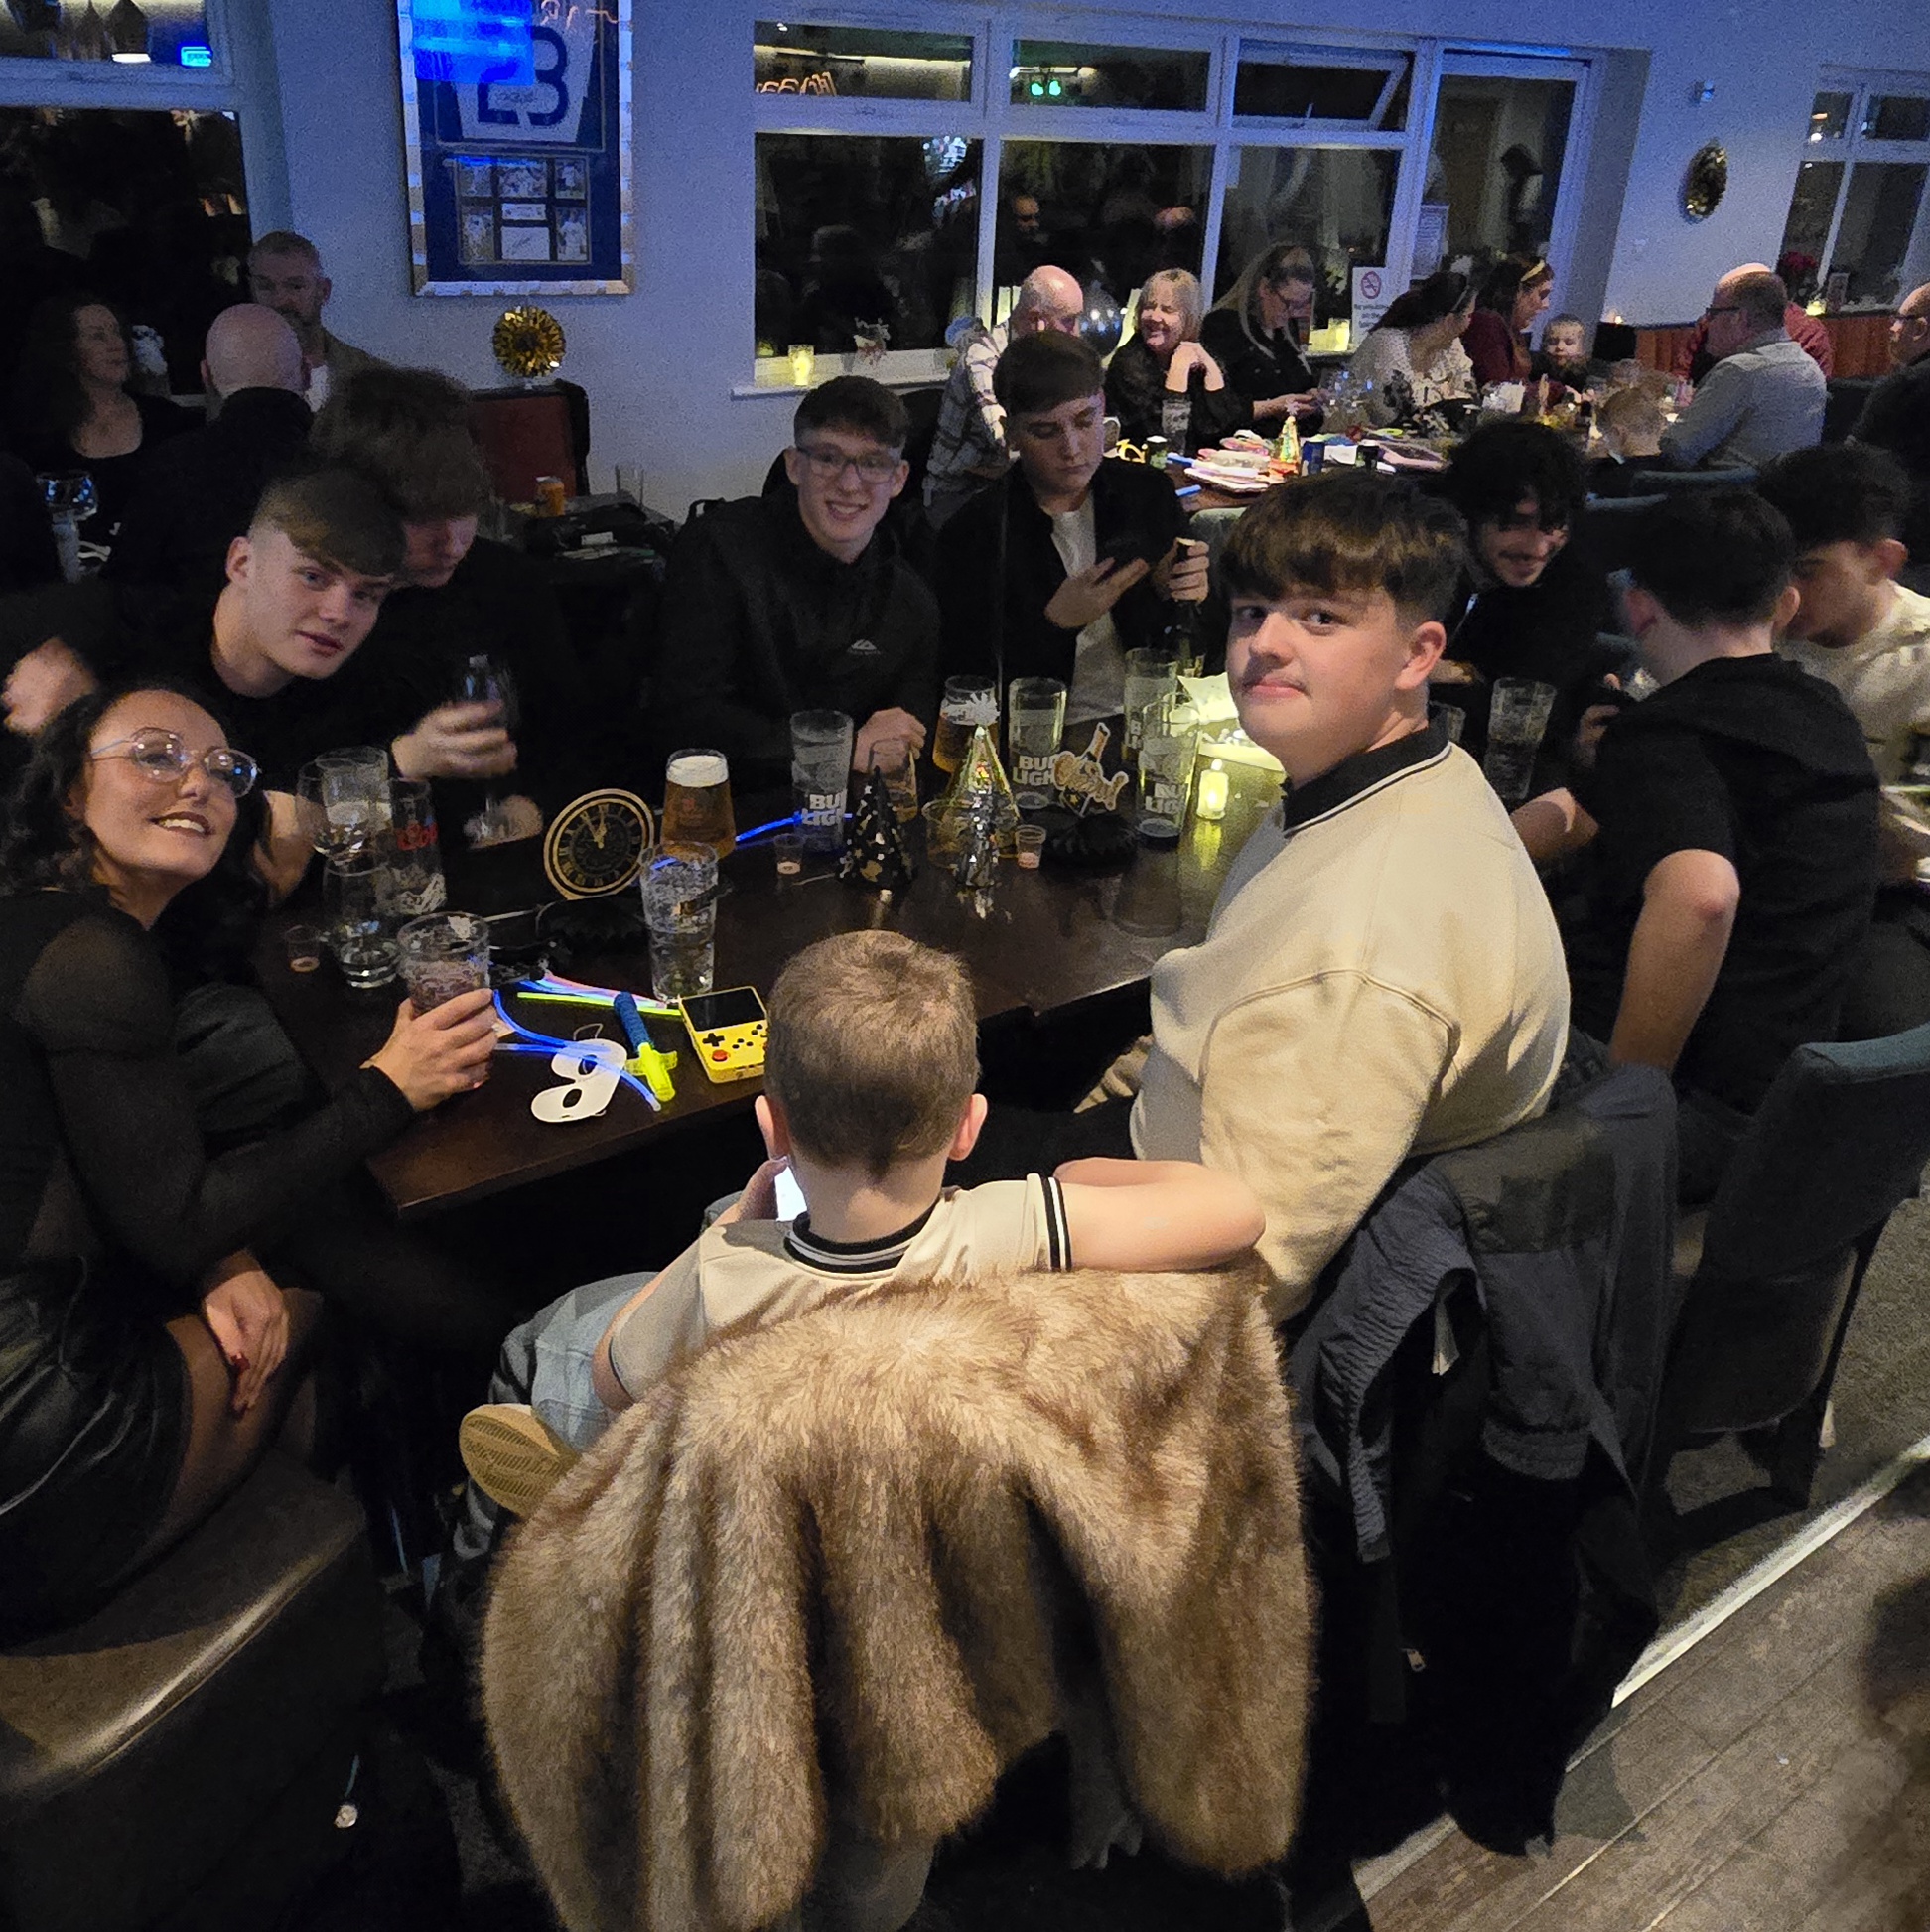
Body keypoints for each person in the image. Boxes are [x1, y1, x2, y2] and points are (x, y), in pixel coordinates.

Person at [451, 930, 1265, 1534]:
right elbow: (1236, 1210)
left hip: (730, 1467)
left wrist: (729, 1227)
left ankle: (542, 1535)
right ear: (967, 1127)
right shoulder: (1007, 1226)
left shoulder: (726, 1275)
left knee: (548, 1336)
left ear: (773, 1129)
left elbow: (613, 1376)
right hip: (882, 1488)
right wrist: (1073, 1177)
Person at [0, 678, 496, 1636]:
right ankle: (451, 1544)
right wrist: (392, 1085)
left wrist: (218, 1255)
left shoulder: (42, 922)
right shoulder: (89, 955)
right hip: (34, 1418)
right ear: (67, 791)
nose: (198, 783)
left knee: (295, 1255)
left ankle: (383, 1595)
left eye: (224, 770)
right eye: (155, 755)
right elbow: (176, 1218)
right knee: (330, 1289)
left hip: (51, 1327)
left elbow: (114, 1167)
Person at [1117, 471, 1571, 1320]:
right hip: (1163, 1159)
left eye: (1320, 617)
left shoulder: (1363, 946)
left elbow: (1244, 1280)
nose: (1266, 643)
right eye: (1253, 611)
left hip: (1176, 1263)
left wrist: (1036, 1223)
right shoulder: (1406, 772)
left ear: (1418, 654)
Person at [1512, 491, 1879, 1202]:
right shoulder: (1822, 715)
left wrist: (1624, 1110)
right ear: (1785, 605)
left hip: (1692, 1116)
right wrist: (1490, 844)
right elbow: (1598, 810)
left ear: (1640, 610)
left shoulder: (1669, 739)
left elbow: (1702, 898)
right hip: (1788, 1101)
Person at [310, 365, 585, 840]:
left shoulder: (509, 582)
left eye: (464, 510)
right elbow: (304, 792)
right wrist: (406, 759)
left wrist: (536, 804)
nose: (453, 542)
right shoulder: (322, 610)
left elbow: (573, 732)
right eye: (422, 519)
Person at [651, 376, 938, 790]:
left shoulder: (911, 601)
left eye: (873, 463)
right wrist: (835, 749)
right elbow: (685, 716)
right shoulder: (717, 550)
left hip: (849, 810)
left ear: (898, 479)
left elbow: (903, 736)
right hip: (732, 802)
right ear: (794, 466)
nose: (849, 484)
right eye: (828, 458)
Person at [933, 332, 1210, 723]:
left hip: (1147, 716)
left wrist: (1182, 592)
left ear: (1103, 408)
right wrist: (1055, 623)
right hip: (1039, 732)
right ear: (1012, 433)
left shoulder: (1147, 494)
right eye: (1045, 431)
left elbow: (1188, 644)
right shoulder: (976, 532)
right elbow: (970, 687)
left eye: (1085, 421)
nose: (1072, 447)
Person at [1757, 442, 1930, 1035]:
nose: (1785, 594)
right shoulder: (1758, 619)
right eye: (1775, 568)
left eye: (1807, 571)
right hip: (1759, 866)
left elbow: (1900, 850)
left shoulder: (1921, 663)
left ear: (1883, 561)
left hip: (1886, 896)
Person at [1433, 421, 1620, 793]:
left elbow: (1533, 706)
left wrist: (1443, 672)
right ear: (1470, 515)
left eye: (1554, 525)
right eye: (1517, 523)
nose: (1537, 547)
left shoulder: (1574, 584)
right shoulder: (1421, 561)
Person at [105, 304, 312, 602]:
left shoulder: (174, 464)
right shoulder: (344, 458)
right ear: (305, 372)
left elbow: (121, 587)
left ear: (206, 376)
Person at [7, 293, 195, 544]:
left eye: (117, 333)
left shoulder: (167, 420)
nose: (116, 344)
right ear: (67, 352)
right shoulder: (36, 434)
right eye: (98, 336)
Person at [923, 265, 1084, 531]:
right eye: (1069, 320)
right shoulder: (983, 362)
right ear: (1037, 320)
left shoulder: (1040, 355)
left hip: (1007, 487)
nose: (1076, 332)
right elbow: (1010, 447)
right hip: (956, 497)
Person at [1661, 269, 1826, 471]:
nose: (1707, 323)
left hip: (1719, 487)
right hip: (1781, 486)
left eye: (1713, 313)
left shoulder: (1740, 371)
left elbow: (1677, 449)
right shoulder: (1810, 368)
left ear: (1740, 317)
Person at [1104, 268, 1251, 454]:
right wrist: (1177, 375)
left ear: (1189, 318)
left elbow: (1223, 435)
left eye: (1167, 310)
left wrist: (1213, 371)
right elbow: (1162, 444)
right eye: (1149, 307)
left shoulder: (1199, 357)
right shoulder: (1127, 363)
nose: (1154, 316)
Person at [245, 230, 386, 413]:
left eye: (295, 286)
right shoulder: (234, 377)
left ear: (323, 291)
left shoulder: (370, 377)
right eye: (265, 287)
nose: (280, 300)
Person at [1851, 280, 1930, 590]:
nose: (1891, 328)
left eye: (1899, 318)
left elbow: (1855, 464)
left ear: (1920, 328)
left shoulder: (1905, 386)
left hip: (1906, 543)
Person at [1200, 244, 1324, 431]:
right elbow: (1217, 408)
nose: (1292, 312)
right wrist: (1271, 407)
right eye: (1288, 303)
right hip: (1239, 440)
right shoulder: (1223, 325)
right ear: (1265, 288)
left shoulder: (1286, 329)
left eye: (1300, 305)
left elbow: (1298, 382)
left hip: (1288, 438)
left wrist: (1311, 396)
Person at [1345, 271, 1477, 426]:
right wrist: (1446, 396)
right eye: (1469, 315)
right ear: (1449, 320)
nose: (1471, 322)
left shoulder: (1451, 347)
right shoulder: (1389, 344)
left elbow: (1469, 401)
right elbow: (1397, 417)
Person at [1670, 261, 1834, 386]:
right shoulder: (1708, 323)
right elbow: (1680, 377)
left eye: (1718, 310)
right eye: (1713, 309)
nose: (1709, 318)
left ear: (1743, 314)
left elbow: (1809, 395)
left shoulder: (1807, 332)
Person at [1462, 256, 1555, 389]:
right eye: (1542, 294)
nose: (1546, 304)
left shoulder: (1510, 328)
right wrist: (1554, 392)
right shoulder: (1487, 325)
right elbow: (1498, 389)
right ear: (1518, 292)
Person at [1587, 385, 1668, 495]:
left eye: (1605, 435)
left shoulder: (1604, 480)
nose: (1603, 440)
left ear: (1618, 433)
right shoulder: (1680, 475)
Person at [1534, 313, 1593, 389]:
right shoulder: (1536, 370)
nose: (1559, 347)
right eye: (1552, 342)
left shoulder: (1587, 377)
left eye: (1569, 342)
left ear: (1582, 348)